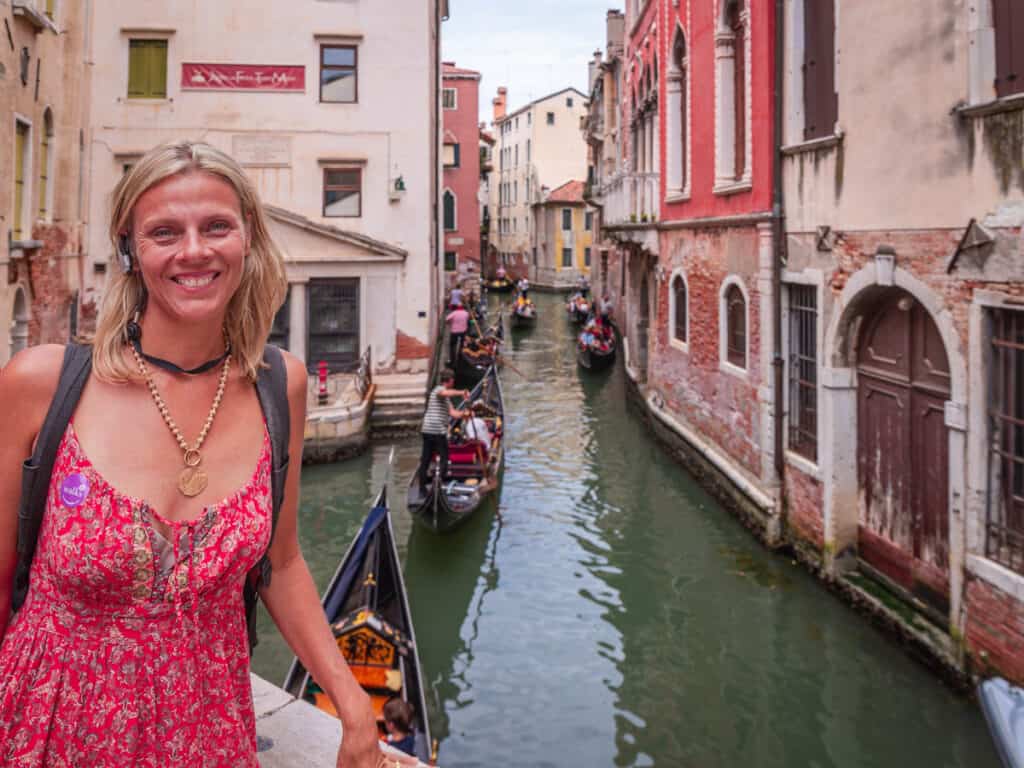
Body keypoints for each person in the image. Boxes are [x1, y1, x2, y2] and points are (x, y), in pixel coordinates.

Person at [0, 142, 415, 768]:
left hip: (208, 729)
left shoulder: (283, 386)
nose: (193, 251)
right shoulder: (41, 383)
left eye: (215, 226)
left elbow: (283, 561)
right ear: (129, 251)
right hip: (53, 718)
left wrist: (353, 702)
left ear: (246, 240)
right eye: (164, 232)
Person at [417, 368, 468, 487]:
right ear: (450, 380)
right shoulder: (438, 390)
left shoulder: (446, 399)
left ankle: (422, 487)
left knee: (426, 459)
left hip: (427, 430)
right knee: (444, 459)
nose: (453, 382)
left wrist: (465, 414)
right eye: (453, 380)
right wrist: (462, 392)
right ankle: (437, 486)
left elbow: (454, 413)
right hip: (437, 431)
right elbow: (444, 393)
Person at [446, 301, 470, 366]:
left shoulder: (454, 313)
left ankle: (452, 360)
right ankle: (460, 358)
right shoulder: (466, 313)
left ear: (457, 307)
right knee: (462, 345)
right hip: (463, 331)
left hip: (454, 331)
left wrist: (449, 322)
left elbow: (447, 319)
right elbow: (468, 320)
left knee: (452, 346)